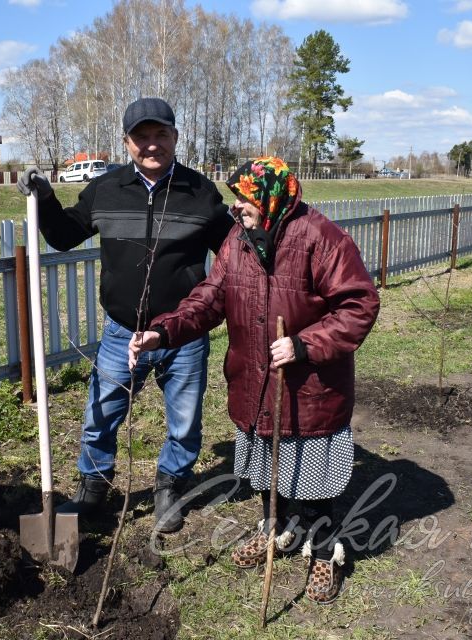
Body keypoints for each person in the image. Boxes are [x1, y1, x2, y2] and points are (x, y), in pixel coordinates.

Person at [129, 157, 379, 603]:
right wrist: (163, 330)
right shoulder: (238, 240)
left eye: (243, 201)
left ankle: (324, 550)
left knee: (313, 479)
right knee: (265, 472)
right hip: (254, 382)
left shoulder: (320, 238)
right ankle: (275, 530)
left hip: (310, 389)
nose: (236, 209)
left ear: (271, 199)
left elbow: (359, 305)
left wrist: (306, 344)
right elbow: (211, 298)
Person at [16, 97, 233, 532]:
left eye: (160, 135)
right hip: (122, 331)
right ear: (126, 142)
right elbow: (63, 236)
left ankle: (170, 486)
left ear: (175, 137)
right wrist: (44, 198)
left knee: (184, 419)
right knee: (101, 413)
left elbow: (232, 254)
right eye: (141, 137)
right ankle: (92, 489)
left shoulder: (200, 191)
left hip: (182, 335)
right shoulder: (106, 189)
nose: (151, 145)